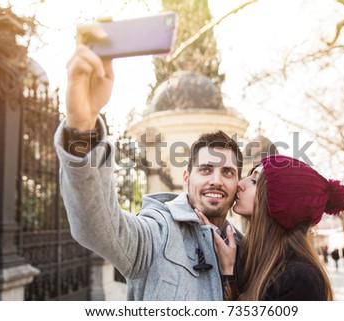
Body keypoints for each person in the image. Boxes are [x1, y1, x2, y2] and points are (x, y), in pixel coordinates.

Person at [53, 24, 244, 300]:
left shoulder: (246, 250)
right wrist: (81, 128)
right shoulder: (155, 234)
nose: (216, 180)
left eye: (227, 171)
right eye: (205, 169)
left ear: (238, 181)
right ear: (186, 177)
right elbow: (96, 228)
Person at [199, 155, 344, 300]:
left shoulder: (301, 279)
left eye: (254, 181)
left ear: (281, 205)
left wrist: (228, 274)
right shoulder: (253, 258)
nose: (240, 183)